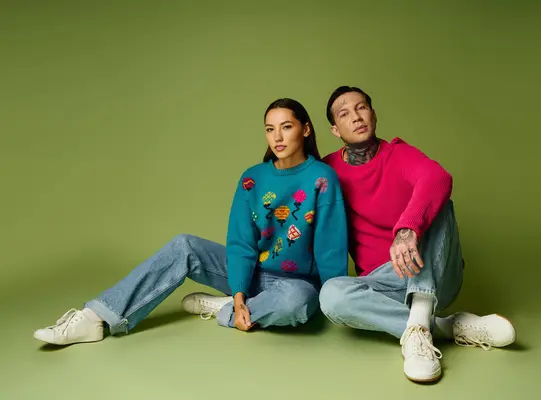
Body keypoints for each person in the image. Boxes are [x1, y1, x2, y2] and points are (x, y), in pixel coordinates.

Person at [33, 98, 349, 346]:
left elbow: (330, 245)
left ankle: (223, 310)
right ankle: (96, 318)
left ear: (305, 130)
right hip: (251, 274)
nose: (277, 137)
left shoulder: (322, 178)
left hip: (297, 285)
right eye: (270, 128)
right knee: (185, 245)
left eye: (286, 127)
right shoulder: (253, 178)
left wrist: (331, 301)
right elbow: (241, 241)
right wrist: (239, 291)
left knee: (297, 304)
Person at [318, 86, 516, 383]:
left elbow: (437, 177)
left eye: (362, 108)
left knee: (439, 204)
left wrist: (407, 229)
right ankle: (441, 327)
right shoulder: (328, 169)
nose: (356, 117)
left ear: (373, 115)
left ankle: (419, 329)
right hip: (384, 286)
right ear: (335, 129)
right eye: (345, 114)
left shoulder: (398, 153)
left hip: (434, 274)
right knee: (331, 295)